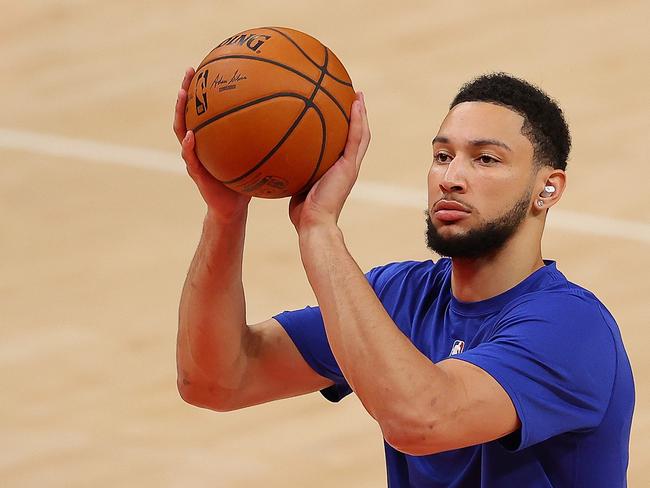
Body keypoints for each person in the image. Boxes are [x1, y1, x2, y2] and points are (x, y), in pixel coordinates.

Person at [172, 71, 635, 487]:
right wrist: (225, 214)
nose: (451, 177)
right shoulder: (400, 297)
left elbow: (422, 419)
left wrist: (318, 228)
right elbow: (216, 380)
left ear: (547, 188)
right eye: (442, 155)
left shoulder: (573, 328)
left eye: (486, 159)